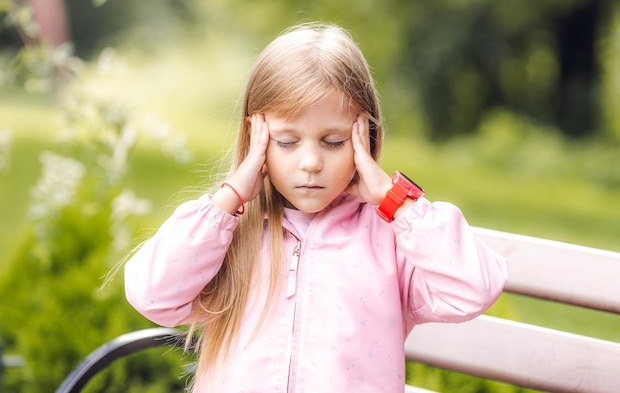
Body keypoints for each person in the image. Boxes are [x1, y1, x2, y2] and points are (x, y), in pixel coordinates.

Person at [124, 22, 508, 393]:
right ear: (257, 140)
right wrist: (228, 201)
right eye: (288, 141)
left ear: (365, 138)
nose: (310, 162)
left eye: (334, 141)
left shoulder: (388, 239)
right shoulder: (229, 233)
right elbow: (151, 295)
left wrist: (394, 201)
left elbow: (474, 288)